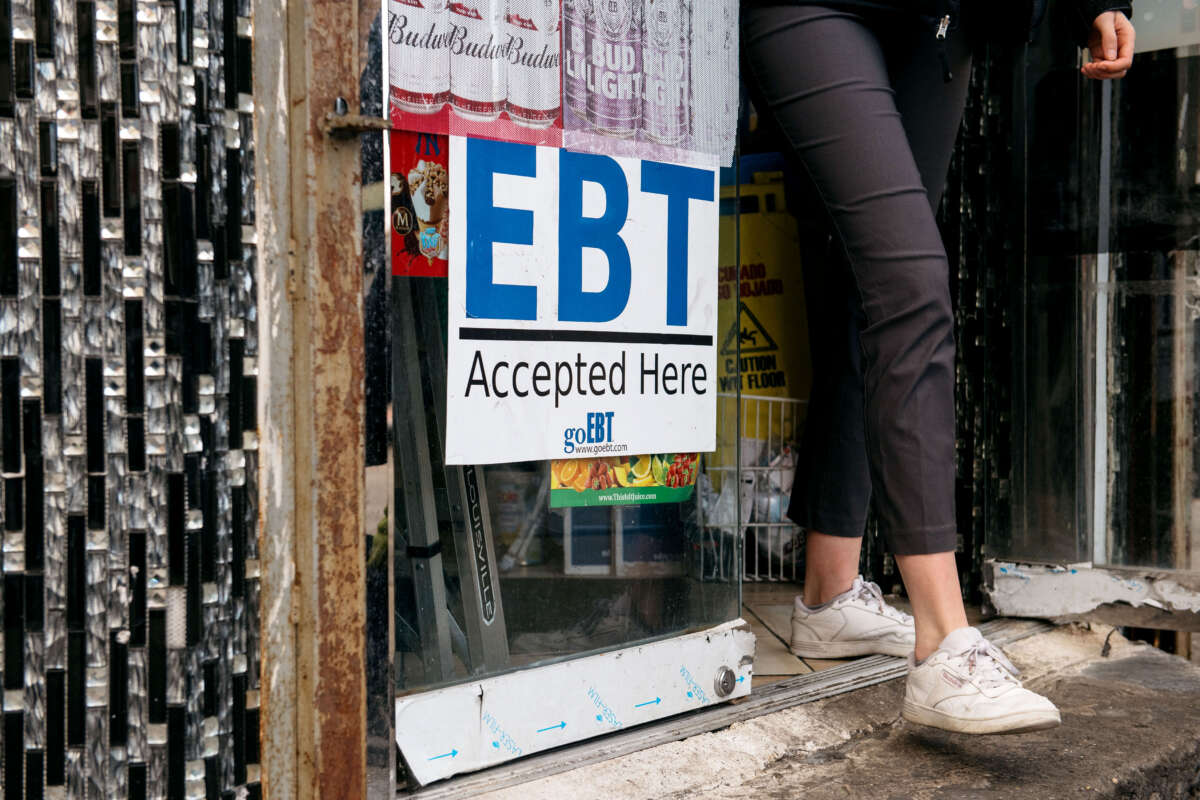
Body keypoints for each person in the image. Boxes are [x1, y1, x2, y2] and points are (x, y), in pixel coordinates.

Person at [740, 0, 1134, 734]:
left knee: (874, 293)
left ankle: (828, 596)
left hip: (941, 19)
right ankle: (944, 645)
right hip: (814, 7)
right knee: (910, 287)